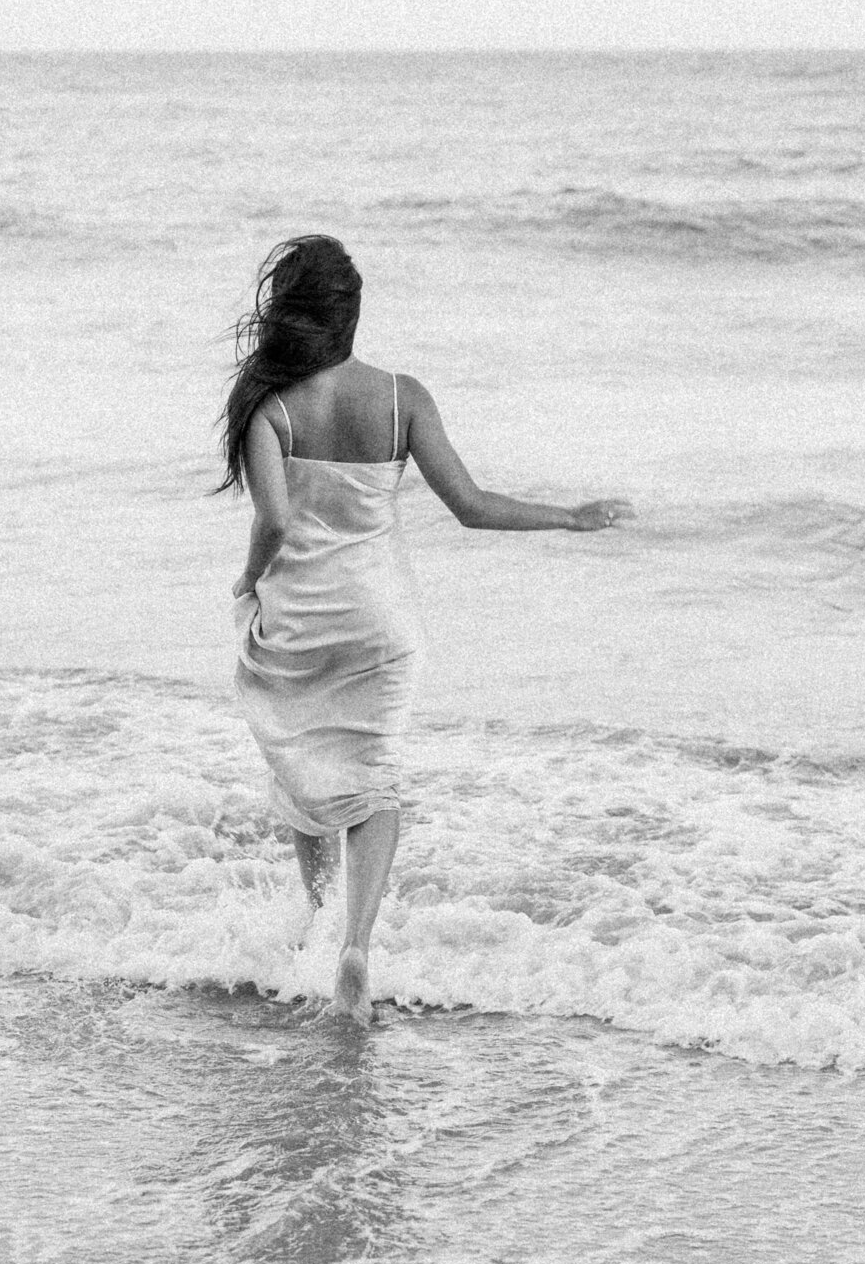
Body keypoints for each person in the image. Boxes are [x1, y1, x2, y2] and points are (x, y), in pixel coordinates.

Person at [219, 235, 632, 1025]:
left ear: (286, 313)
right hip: (382, 623)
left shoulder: (267, 406)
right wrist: (569, 518)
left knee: (303, 765)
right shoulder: (403, 396)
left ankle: (312, 924)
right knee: (372, 782)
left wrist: (248, 579)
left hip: (300, 616)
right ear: (351, 314)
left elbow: (273, 518)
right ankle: (355, 944)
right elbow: (472, 507)